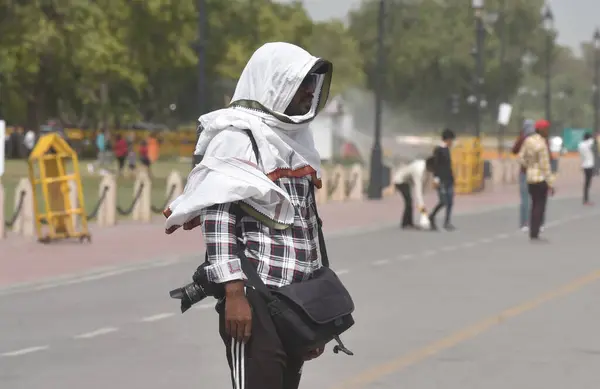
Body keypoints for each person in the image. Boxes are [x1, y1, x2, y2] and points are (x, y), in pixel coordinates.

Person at [163, 42, 334, 389]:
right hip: (256, 297)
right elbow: (219, 221)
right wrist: (235, 294)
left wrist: (314, 314)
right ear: (274, 84)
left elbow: (308, 226)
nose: (309, 92)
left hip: (296, 299)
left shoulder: (298, 139)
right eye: (301, 83)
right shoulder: (236, 137)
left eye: (313, 83)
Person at [518, 120, 555, 241]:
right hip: (541, 178)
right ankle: (535, 230)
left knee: (534, 204)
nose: (547, 132)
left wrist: (529, 165)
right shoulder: (542, 144)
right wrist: (551, 183)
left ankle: (532, 229)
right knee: (540, 205)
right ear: (541, 130)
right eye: (546, 129)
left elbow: (521, 157)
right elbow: (546, 166)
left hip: (530, 178)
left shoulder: (528, 141)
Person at [393, 157, 434, 229]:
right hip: (400, 180)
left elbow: (424, 186)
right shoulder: (419, 171)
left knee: (410, 201)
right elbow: (418, 194)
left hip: (407, 181)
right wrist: (423, 212)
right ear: (429, 166)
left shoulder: (426, 168)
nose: (433, 171)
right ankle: (405, 224)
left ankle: (410, 223)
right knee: (409, 201)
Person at [429, 128, 456, 231]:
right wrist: (436, 179)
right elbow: (436, 166)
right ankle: (431, 216)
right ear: (447, 139)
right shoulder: (438, 150)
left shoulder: (447, 150)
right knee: (443, 201)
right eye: (451, 140)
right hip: (441, 180)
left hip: (449, 179)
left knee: (450, 201)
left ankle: (447, 222)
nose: (452, 143)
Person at [511, 119, 536, 231]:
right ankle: (534, 222)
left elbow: (514, 150)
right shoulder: (537, 139)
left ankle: (524, 223)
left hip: (524, 172)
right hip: (535, 172)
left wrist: (521, 136)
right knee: (534, 198)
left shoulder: (522, 138)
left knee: (525, 199)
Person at [578, 132, 595, 205]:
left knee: (586, 183)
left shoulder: (580, 145)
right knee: (588, 183)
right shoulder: (588, 144)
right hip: (589, 165)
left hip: (584, 165)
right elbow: (592, 140)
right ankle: (586, 200)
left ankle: (585, 199)